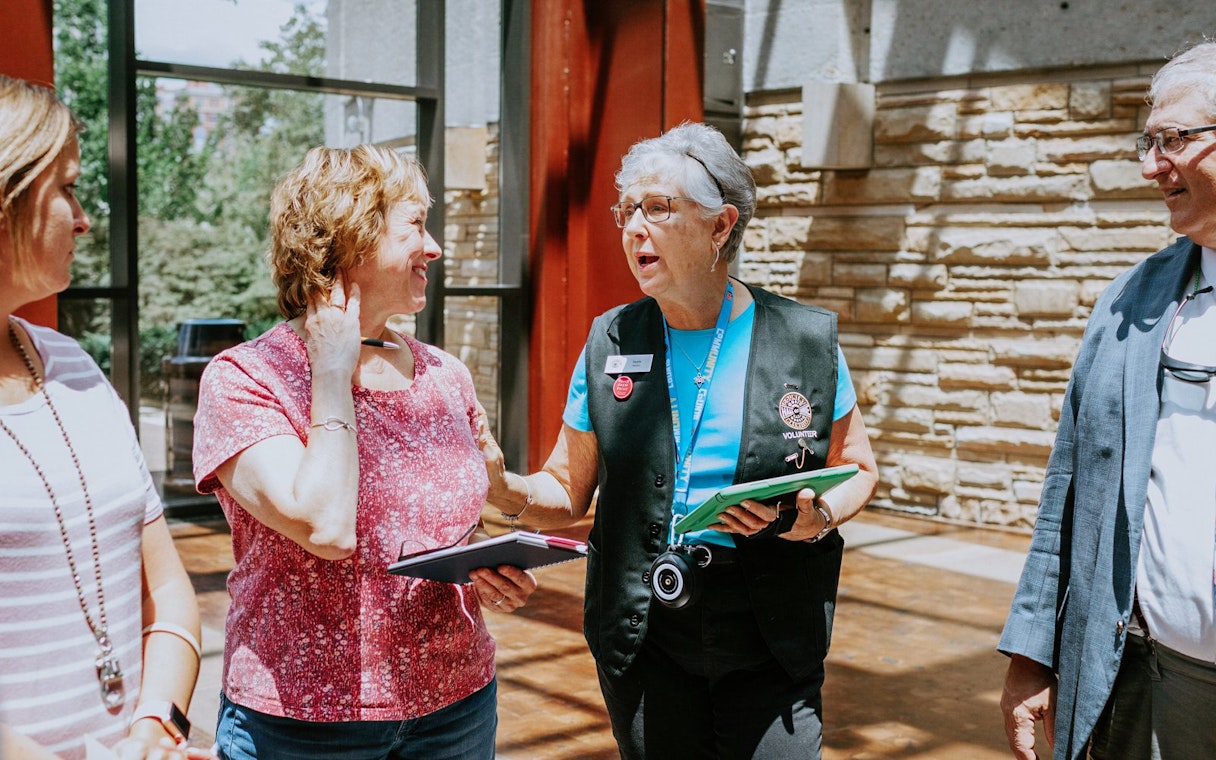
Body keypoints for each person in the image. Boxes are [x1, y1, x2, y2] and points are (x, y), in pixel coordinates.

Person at [480, 121, 879, 758]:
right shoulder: (611, 340)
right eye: (627, 210)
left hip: (771, 631)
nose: (634, 227)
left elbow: (856, 465)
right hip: (646, 630)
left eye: (658, 208)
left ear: (721, 226)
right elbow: (566, 487)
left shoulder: (804, 340)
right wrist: (504, 490)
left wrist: (821, 516)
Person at [191, 144, 537, 759]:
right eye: (415, 226)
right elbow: (324, 525)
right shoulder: (247, 379)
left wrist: (482, 564)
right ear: (350, 237)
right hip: (303, 722)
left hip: (456, 704)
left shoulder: (445, 375)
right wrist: (331, 372)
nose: (433, 248)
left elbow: (445, 524)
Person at [999, 40, 1216, 760]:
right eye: (1149, 143)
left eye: (1175, 140)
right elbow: (1070, 487)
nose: (1152, 165)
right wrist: (1034, 652)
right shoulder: (1131, 303)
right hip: (1138, 679)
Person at [0, 75, 207, 758]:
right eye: (66, 188)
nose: (85, 218)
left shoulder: (75, 368)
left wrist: (158, 725)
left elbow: (169, 590)